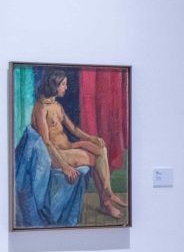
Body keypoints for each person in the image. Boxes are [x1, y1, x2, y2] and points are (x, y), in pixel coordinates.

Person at [32, 69, 126, 219]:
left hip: (68, 147)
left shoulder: (57, 106)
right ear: (54, 85)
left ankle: (108, 193)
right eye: (63, 84)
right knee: (96, 160)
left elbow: (74, 129)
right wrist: (65, 166)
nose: (66, 87)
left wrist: (91, 138)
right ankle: (106, 202)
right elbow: (47, 143)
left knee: (101, 149)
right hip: (57, 155)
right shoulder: (41, 109)